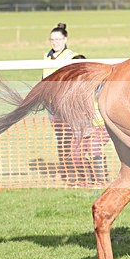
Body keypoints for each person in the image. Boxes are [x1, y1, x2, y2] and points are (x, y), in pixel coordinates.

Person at [43, 23, 80, 184]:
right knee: (61, 140)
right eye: (52, 39)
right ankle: (65, 171)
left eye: (58, 39)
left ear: (65, 39)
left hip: (67, 105)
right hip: (52, 106)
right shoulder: (46, 56)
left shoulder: (72, 57)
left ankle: (76, 172)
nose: (55, 42)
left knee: (72, 139)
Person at [70, 54, 111, 186]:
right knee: (76, 154)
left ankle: (101, 181)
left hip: (100, 125)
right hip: (81, 127)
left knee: (93, 148)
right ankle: (86, 181)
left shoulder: (97, 84)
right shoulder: (71, 87)